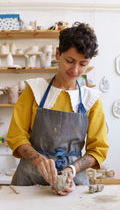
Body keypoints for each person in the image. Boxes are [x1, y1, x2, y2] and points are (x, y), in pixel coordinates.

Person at [7, 22, 109, 195]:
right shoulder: (34, 90)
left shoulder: (91, 100)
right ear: (57, 54)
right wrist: (39, 160)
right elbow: (16, 137)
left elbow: (98, 150)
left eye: (83, 64)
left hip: (73, 181)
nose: (75, 70)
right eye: (70, 61)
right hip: (29, 180)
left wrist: (72, 169)